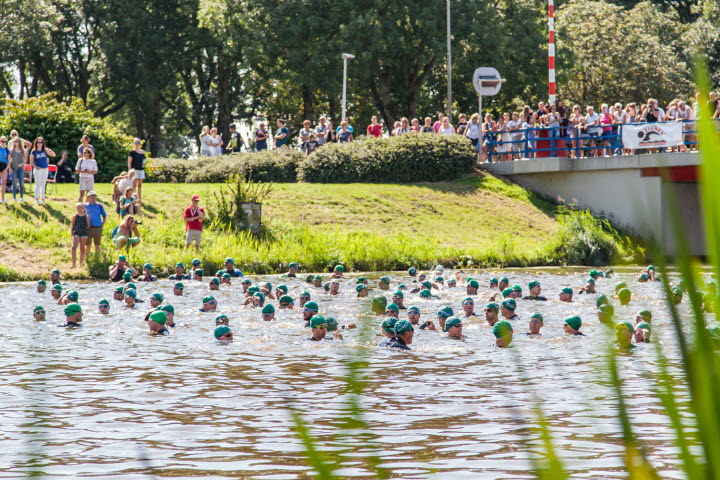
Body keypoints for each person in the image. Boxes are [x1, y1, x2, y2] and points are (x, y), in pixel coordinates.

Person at [29, 137, 56, 205]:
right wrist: (36, 167)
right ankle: (36, 198)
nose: (40, 144)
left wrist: (49, 150)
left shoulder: (45, 150)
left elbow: (53, 155)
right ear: (36, 143)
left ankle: (43, 198)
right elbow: (31, 162)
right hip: (38, 169)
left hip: (45, 168)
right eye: (38, 142)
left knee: (43, 184)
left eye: (41, 142)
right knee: (37, 184)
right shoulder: (33, 152)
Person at [85, 191, 106, 255]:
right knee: (87, 244)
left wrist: (102, 224)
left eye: (94, 196)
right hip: (87, 228)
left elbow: (104, 216)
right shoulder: (84, 206)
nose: (93, 197)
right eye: (91, 196)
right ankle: (87, 257)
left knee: (97, 244)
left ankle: (97, 257)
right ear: (88, 198)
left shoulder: (99, 205)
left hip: (97, 227)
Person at [70, 202, 90, 268]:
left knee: (82, 248)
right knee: (73, 247)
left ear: (82, 208)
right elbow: (72, 225)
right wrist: (71, 233)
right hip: (76, 232)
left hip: (83, 233)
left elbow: (88, 225)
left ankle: (80, 264)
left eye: (79, 207)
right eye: (77, 208)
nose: (78, 209)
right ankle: (73, 264)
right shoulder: (75, 216)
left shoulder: (86, 216)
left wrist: (85, 231)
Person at [8, 136, 28, 202]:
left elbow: (25, 160)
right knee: (14, 183)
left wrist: (21, 164)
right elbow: (9, 160)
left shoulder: (23, 150)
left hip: (21, 169)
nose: (15, 143)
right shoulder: (11, 150)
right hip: (13, 168)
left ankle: (21, 197)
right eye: (14, 141)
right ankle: (14, 198)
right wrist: (10, 168)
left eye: (16, 141)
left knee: (21, 183)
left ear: (19, 142)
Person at [128, 139, 146, 203]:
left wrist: (144, 164)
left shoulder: (142, 152)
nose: (138, 144)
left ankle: (140, 199)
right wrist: (130, 170)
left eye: (139, 143)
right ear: (134, 143)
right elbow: (129, 162)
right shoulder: (132, 152)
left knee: (139, 185)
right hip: (135, 170)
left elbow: (144, 160)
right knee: (134, 185)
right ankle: (134, 198)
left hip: (141, 170)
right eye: (136, 143)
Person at [0, 136, 10, 203]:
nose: (4, 143)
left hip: (4, 166)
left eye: (5, 141)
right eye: (2, 141)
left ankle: (2, 198)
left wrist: (6, 168)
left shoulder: (7, 150)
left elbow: (9, 160)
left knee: (3, 183)